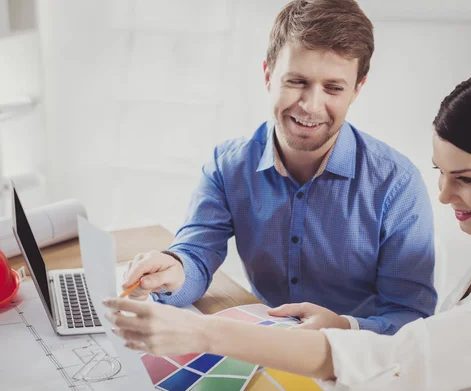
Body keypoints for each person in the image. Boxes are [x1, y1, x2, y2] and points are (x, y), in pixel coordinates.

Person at [106, 65, 471, 391]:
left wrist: (205, 332)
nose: (445, 196)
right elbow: (435, 343)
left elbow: (400, 360)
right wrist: (349, 325)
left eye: (467, 179)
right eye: (441, 173)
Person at [120, 0, 437, 335]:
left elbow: (411, 318)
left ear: (357, 89)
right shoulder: (227, 165)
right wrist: (175, 270)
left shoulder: (397, 184)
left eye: (333, 88)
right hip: (265, 345)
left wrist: (345, 328)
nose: (311, 106)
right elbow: (195, 256)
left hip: (357, 362)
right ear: (268, 76)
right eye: (296, 81)